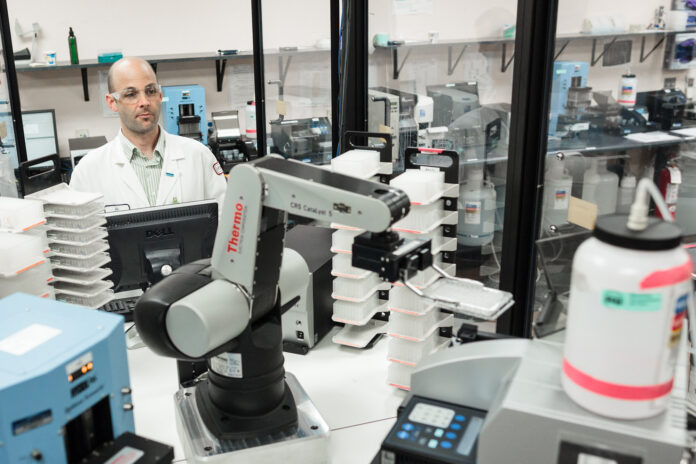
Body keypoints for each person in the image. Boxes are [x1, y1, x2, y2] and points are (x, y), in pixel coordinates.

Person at [70, 57, 226, 209]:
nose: (144, 102)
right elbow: (78, 232)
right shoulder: (87, 171)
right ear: (112, 102)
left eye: (150, 91)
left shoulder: (199, 156)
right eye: (131, 94)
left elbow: (226, 221)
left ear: (160, 95)